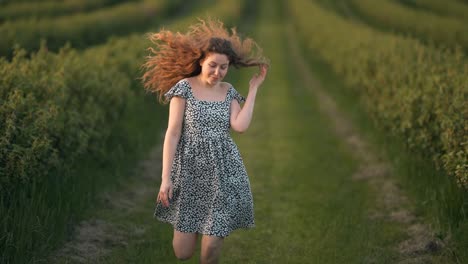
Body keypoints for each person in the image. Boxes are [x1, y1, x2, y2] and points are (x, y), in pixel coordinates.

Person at [141, 18, 268, 264]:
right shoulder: (184, 88)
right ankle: (200, 223)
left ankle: (210, 227)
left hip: (223, 171)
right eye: (212, 65)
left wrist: (253, 89)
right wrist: (165, 179)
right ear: (201, 61)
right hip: (189, 172)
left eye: (223, 67)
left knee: (210, 251)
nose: (217, 72)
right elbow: (173, 133)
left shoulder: (228, 90)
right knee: (183, 252)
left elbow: (240, 126)